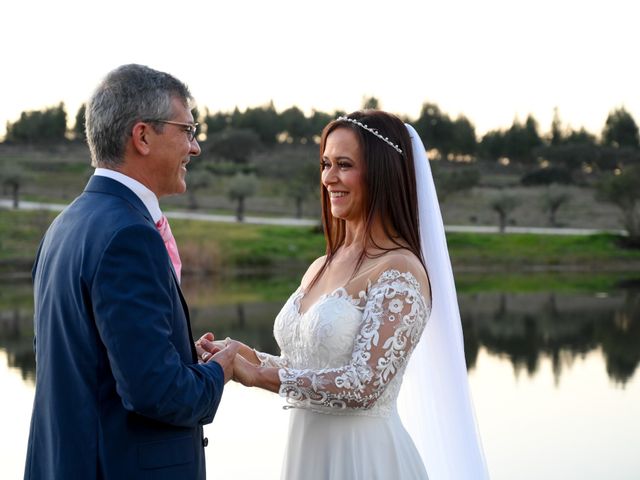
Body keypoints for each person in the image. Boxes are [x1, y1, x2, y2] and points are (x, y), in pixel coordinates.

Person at [201, 110, 489, 479]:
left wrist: (259, 377)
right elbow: (303, 368)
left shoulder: (400, 271)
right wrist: (238, 354)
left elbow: (363, 384)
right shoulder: (321, 264)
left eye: (344, 165)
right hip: (308, 454)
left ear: (380, 173)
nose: (329, 178)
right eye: (325, 164)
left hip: (363, 458)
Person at [24, 64, 239, 480]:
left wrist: (176, 355)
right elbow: (155, 393)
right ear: (142, 136)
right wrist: (219, 370)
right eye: (187, 130)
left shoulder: (64, 226)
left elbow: (92, 362)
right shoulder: (130, 236)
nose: (194, 148)